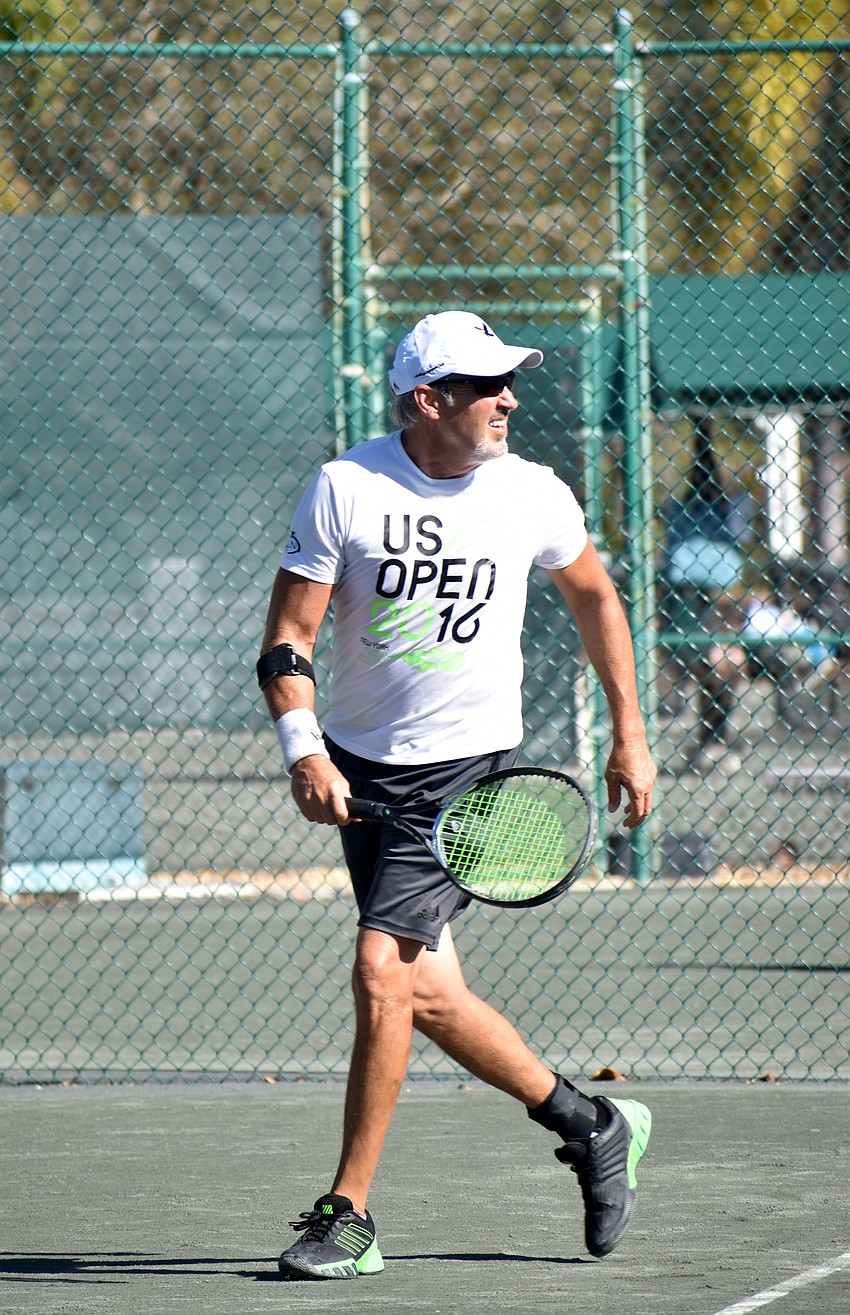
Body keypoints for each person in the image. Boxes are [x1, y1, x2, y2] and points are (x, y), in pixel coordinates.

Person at [259, 310, 656, 1280]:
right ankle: (592, 1123)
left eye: (508, 381)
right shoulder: (346, 487)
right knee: (429, 992)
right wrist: (305, 749)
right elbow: (287, 637)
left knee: (380, 974)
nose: (509, 398)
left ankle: (347, 1213)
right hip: (363, 765)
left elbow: (596, 595)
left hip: (465, 768)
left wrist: (630, 729)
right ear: (428, 400)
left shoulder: (532, 493)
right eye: (486, 386)